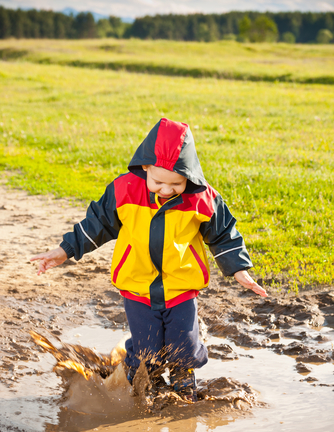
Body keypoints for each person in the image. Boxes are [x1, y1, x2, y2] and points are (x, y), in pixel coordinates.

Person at [31, 117, 267, 401]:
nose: (166, 190)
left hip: (181, 287)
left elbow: (223, 233)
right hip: (137, 286)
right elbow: (97, 224)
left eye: (176, 184)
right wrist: (64, 251)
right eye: (158, 182)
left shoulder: (201, 198)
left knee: (185, 345)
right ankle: (136, 385)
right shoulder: (124, 190)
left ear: (189, 175)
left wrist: (239, 268)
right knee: (146, 351)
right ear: (145, 166)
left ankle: (183, 384)